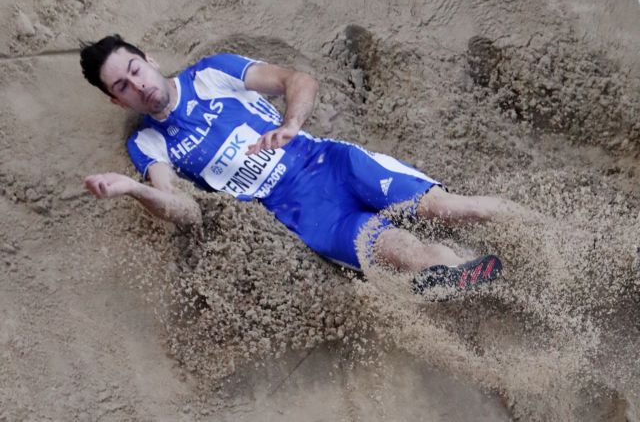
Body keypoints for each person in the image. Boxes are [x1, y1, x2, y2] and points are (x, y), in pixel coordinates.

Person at [80, 34, 527, 296]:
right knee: (406, 253)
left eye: (135, 70)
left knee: (448, 208)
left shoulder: (211, 74)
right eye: (123, 86)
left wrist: (291, 123)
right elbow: (184, 209)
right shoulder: (148, 142)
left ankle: (539, 230)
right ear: (116, 100)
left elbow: (297, 79)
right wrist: (133, 190)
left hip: (334, 165)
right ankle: (470, 275)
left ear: (150, 60)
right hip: (305, 216)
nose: (138, 85)